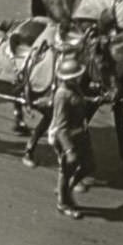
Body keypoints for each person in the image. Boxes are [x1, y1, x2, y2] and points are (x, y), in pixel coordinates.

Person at [48, 53, 94, 219]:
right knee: (66, 171)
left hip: (81, 132)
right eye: (75, 75)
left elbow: (79, 101)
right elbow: (60, 127)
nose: (78, 77)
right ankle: (63, 203)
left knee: (89, 166)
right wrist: (69, 150)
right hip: (66, 138)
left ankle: (66, 189)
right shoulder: (62, 94)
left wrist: (93, 100)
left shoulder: (75, 87)